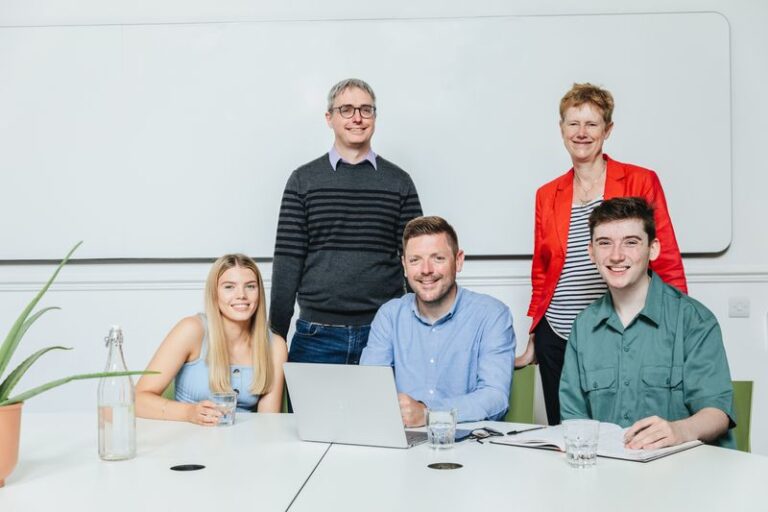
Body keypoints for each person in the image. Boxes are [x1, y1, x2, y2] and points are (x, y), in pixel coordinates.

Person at [517, 83, 688, 425]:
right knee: (566, 432)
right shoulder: (547, 194)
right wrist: (536, 331)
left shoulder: (639, 180)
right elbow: (543, 267)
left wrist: (677, 326)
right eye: (573, 123)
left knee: (624, 430)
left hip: (619, 329)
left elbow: (664, 255)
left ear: (607, 130)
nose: (582, 133)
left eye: (592, 124)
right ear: (561, 129)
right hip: (558, 334)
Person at [560, 197, 734, 449]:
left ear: (653, 249)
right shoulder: (583, 326)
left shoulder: (693, 319)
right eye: (605, 243)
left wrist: (679, 430)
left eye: (631, 242)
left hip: (683, 474)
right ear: (591, 252)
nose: (617, 255)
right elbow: (573, 418)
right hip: (608, 476)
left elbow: (718, 412)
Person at [270, 78, 422, 365]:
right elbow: (288, 259)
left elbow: (416, 258)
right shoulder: (303, 181)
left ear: (375, 117)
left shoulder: (399, 182)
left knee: (386, 412)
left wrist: (421, 327)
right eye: (347, 109)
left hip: (384, 333)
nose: (357, 118)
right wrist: (276, 334)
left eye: (366, 109)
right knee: (309, 412)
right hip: (317, 335)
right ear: (329, 118)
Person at [360, 216, 515, 426]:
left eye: (437, 258)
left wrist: (427, 413)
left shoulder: (492, 315)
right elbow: (370, 391)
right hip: (403, 441)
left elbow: (495, 397)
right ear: (404, 265)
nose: (426, 270)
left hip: (469, 444)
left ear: (458, 260)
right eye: (415, 260)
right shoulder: (389, 316)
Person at [136, 254, 287, 425]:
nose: (241, 295)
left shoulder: (275, 346)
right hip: (186, 441)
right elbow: (137, 400)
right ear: (214, 294)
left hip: (243, 445)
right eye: (229, 287)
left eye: (250, 286)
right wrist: (188, 413)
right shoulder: (192, 330)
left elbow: (267, 425)